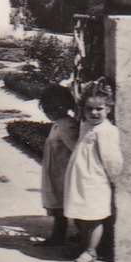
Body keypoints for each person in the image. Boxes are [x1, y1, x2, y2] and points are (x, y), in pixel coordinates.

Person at [63, 90, 122, 262]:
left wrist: (113, 176)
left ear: (109, 109)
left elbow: (111, 157)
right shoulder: (86, 125)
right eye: (89, 109)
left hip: (94, 178)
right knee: (81, 213)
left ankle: (91, 251)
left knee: (93, 216)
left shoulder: (106, 131)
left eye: (99, 109)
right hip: (80, 176)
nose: (94, 113)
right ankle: (84, 246)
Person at [36, 85, 80, 251]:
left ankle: (60, 237)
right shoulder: (59, 124)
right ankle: (58, 236)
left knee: (62, 205)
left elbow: (76, 148)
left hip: (62, 172)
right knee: (58, 206)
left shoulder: (66, 126)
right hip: (55, 171)